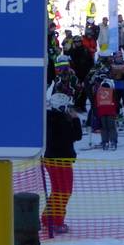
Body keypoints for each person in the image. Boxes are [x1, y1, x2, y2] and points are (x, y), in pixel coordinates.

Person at [42, 93, 82, 235]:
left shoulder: (48, 118)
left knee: (57, 190)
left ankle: (47, 218)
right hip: (61, 161)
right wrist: (75, 120)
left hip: (51, 159)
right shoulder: (60, 120)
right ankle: (57, 222)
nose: (68, 109)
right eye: (67, 107)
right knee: (64, 191)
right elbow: (76, 135)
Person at [96, 78, 118, 150]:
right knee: (112, 127)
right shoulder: (112, 92)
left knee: (104, 128)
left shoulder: (98, 92)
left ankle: (105, 142)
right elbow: (116, 101)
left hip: (101, 112)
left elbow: (96, 102)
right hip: (110, 112)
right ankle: (113, 141)